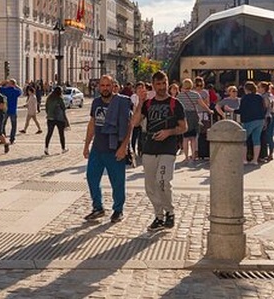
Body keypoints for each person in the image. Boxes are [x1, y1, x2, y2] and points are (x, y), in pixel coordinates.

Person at [132, 71, 186, 231]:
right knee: (150, 186)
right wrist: (141, 102)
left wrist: (169, 132)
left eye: (164, 83)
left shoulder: (175, 104)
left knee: (162, 181)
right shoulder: (148, 104)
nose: (162, 87)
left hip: (168, 149)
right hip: (149, 148)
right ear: (153, 85)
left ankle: (170, 211)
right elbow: (135, 123)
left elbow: (184, 127)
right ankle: (159, 215)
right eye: (159, 84)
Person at [83, 75, 133, 223]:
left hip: (115, 148)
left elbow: (129, 125)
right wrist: (86, 145)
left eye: (107, 85)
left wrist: (124, 147)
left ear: (113, 86)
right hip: (98, 148)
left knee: (117, 182)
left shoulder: (122, 102)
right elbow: (92, 124)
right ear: (99, 87)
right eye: (102, 85)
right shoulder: (96, 102)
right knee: (91, 177)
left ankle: (118, 210)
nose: (105, 88)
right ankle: (98, 207)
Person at [175, 79, 210, 162]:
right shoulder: (195, 94)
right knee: (193, 138)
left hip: (184, 116)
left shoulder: (179, 96)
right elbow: (202, 104)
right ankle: (194, 156)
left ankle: (186, 157)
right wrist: (209, 110)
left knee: (185, 138)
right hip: (194, 116)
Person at [239, 81, 267, 165]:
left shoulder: (245, 98)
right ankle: (255, 160)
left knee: (244, 139)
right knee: (256, 139)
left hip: (249, 120)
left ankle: (244, 159)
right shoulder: (259, 97)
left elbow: (241, 110)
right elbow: (264, 108)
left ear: (246, 89)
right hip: (260, 120)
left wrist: (231, 110)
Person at [44, 86, 69, 155]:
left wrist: (49, 114)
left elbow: (46, 108)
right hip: (59, 119)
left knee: (49, 133)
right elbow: (63, 108)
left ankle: (46, 148)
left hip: (50, 118)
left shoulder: (49, 98)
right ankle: (63, 148)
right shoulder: (59, 99)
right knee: (61, 134)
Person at [0, 79, 23, 143]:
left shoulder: (5, 90)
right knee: (14, 125)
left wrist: (2, 83)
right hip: (13, 110)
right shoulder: (16, 91)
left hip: (6, 109)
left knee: (3, 124)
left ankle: (3, 137)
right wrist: (16, 86)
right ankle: (12, 139)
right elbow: (21, 91)